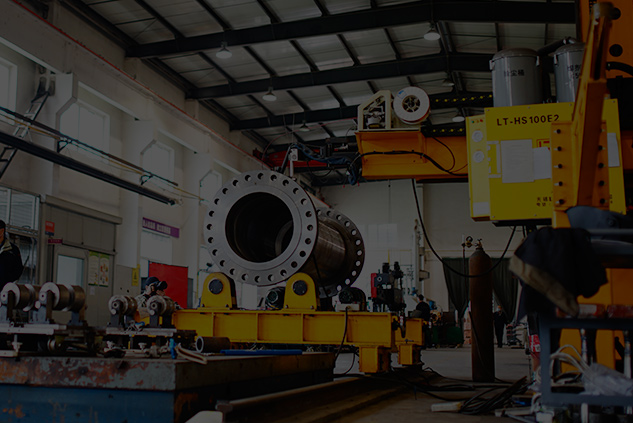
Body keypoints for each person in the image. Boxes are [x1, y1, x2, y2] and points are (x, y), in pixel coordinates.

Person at [0, 220, 23, 289]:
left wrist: (7, 280)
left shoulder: (13, 250)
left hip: (5, 289)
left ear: (2, 231)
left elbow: (18, 269)